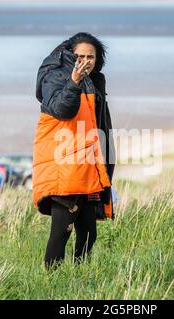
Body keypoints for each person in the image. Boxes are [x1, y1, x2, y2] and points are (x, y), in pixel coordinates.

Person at [32, 32, 116, 271]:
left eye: (90, 56)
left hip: (89, 165)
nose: (85, 61)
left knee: (89, 233)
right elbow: (62, 110)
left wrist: (107, 163)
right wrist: (74, 81)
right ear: (70, 54)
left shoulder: (95, 80)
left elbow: (99, 124)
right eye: (80, 56)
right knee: (61, 232)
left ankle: (79, 279)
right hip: (65, 166)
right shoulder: (54, 77)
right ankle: (51, 282)